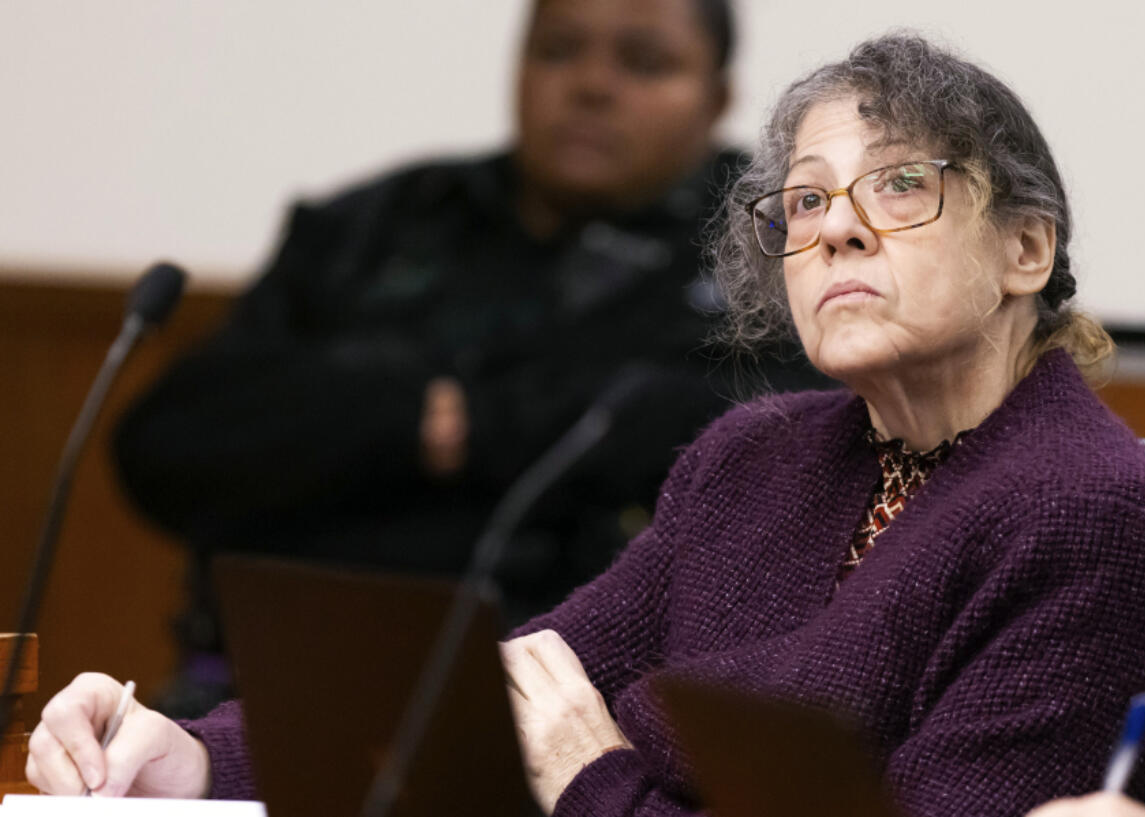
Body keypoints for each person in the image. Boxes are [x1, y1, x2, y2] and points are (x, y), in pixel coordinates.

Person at [26, 33, 1145, 817]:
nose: (836, 230)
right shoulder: (751, 455)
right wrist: (198, 756)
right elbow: (518, 689)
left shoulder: (1100, 527)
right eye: (803, 201)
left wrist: (594, 783)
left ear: (1028, 248)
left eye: (900, 186)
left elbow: (563, 748)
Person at [112, 0, 814, 715]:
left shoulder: (779, 248)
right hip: (279, 688)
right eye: (559, 50)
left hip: (594, 716)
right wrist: (412, 418)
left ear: (717, 97)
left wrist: (461, 423)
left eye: (644, 62)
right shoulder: (379, 226)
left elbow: (778, 450)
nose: (592, 85)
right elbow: (170, 443)